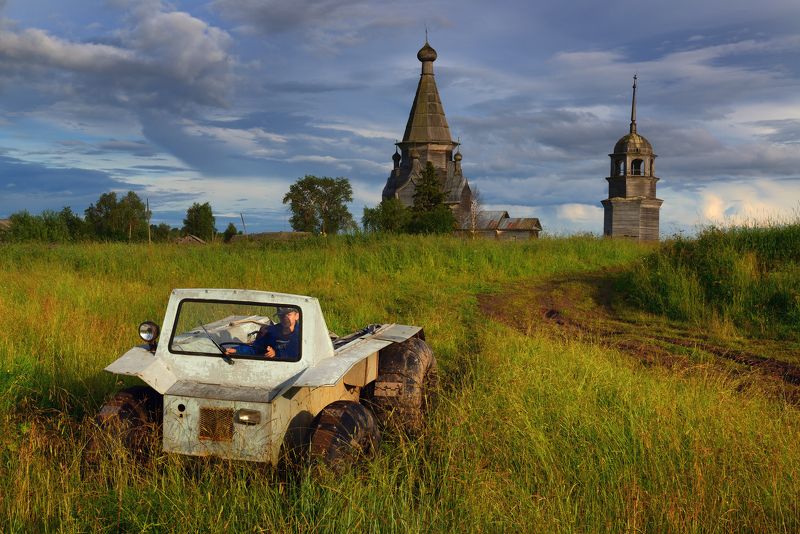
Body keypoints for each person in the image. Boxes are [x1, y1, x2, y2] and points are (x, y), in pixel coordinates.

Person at [225, 307, 300, 360]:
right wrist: (236, 350)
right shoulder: (272, 332)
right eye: (281, 316)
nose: (285, 318)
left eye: (288, 315)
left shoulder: (303, 334)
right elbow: (255, 348)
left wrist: (276, 354)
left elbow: (298, 356)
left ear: (297, 316)